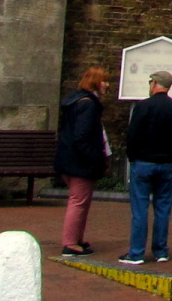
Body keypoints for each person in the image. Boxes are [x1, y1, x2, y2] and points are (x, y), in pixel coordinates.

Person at [121, 70, 172, 265]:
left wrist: (132, 157)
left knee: (140, 209)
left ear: (155, 83)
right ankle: (161, 251)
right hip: (167, 164)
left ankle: (136, 253)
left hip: (143, 162)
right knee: (163, 209)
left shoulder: (143, 106)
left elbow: (133, 135)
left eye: (151, 81)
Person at [54, 66, 110, 256]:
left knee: (81, 201)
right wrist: (94, 158)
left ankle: (76, 239)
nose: (107, 84)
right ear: (95, 82)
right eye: (104, 80)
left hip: (69, 159)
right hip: (80, 162)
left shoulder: (76, 101)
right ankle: (70, 242)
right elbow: (82, 136)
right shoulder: (88, 105)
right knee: (78, 201)